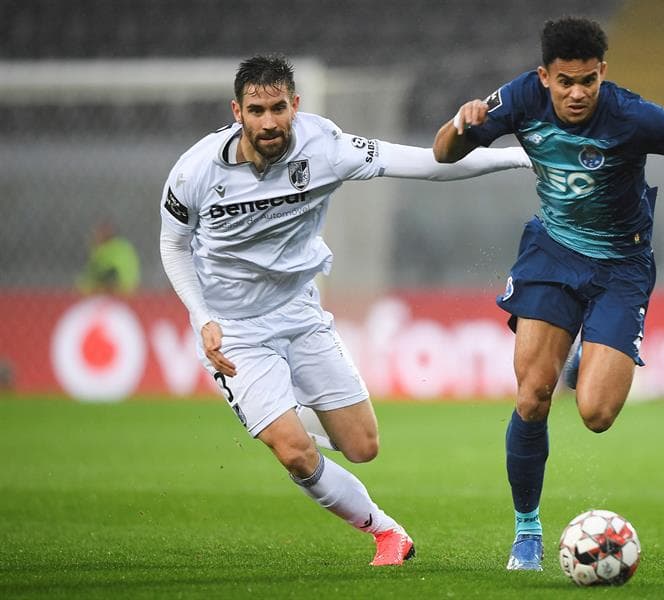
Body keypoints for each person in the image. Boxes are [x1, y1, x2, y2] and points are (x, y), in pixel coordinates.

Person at [433, 17, 664, 571]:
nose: (577, 93)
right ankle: (527, 532)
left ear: (602, 71)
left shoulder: (632, 116)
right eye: (565, 82)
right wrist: (461, 123)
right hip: (553, 254)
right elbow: (443, 153)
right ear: (545, 77)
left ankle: (587, 351)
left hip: (622, 266)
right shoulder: (520, 99)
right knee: (533, 395)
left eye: (588, 80)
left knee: (597, 414)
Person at [159, 54, 531, 566]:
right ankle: (386, 532)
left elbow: (428, 163)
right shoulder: (195, 170)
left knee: (362, 446)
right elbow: (173, 244)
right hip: (234, 330)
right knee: (294, 451)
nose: (268, 122)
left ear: (295, 105)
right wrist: (202, 317)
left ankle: (281, 410)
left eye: (278, 108)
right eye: (256, 111)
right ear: (237, 112)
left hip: (298, 311)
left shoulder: (326, 148)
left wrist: (519, 158)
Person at [77, 221, 141, 295]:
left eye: (98, 234)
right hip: (129, 289)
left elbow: (111, 275)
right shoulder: (122, 246)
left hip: (117, 291)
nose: (95, 237)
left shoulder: (107, 250)